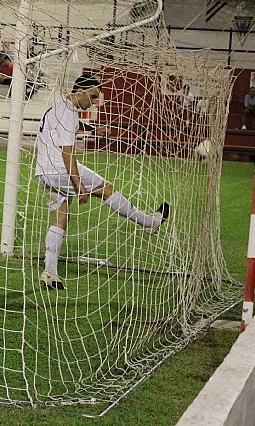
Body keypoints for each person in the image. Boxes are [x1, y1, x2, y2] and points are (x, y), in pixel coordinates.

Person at [35, 75, 169, 289]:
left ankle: (50, 273)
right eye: (93, 96)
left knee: (60, 217)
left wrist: (93, 131)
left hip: (43, 172)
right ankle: (150, 223)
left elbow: (74, 126)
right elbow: (68, 152)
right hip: (60, 169)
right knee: (106, 189)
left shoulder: (58, 104)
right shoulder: (69, 112)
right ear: (80, 91)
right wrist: (80, 186)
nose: (95, 101)